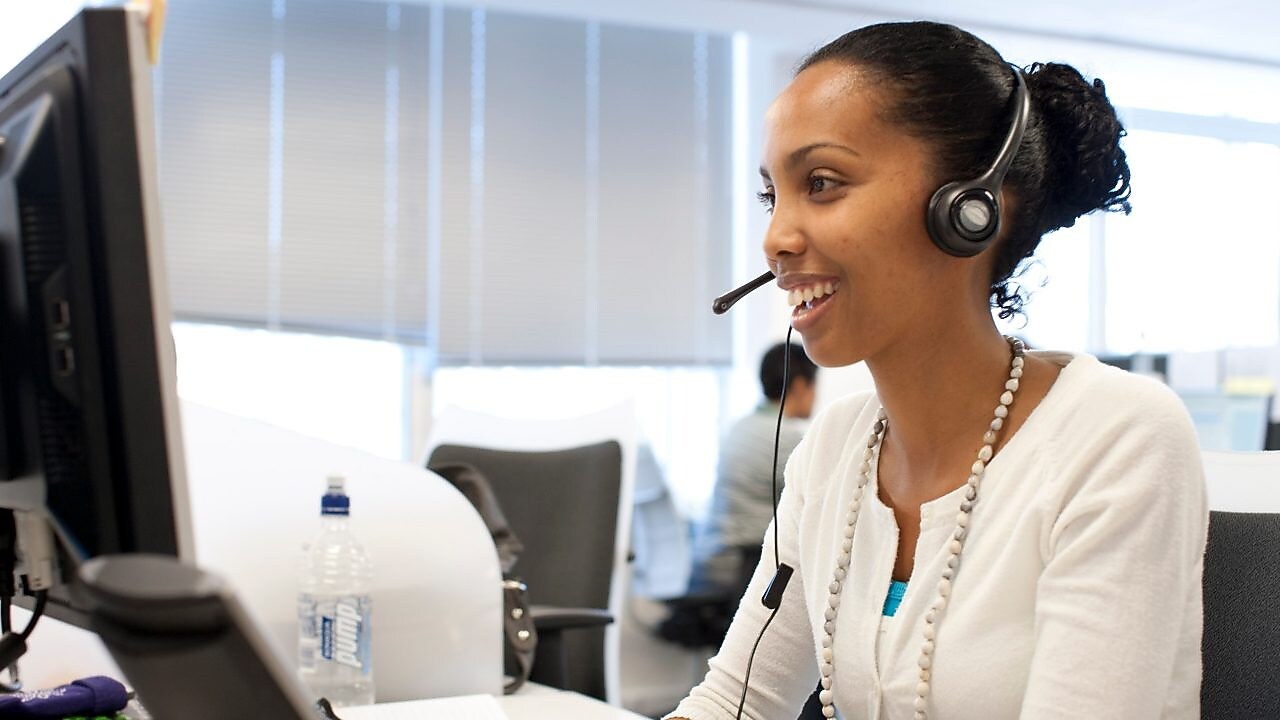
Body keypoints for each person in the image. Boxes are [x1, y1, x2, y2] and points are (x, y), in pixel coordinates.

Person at [668, 21, 1207, 720]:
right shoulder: (834, 451)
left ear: (971, 209)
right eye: (775, 197)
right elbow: (733, 703)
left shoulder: (1116, 437)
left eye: (823, 183)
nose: (776, 239)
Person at [660, 342, 818, 649]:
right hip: (738, 569)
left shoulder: (741, 428)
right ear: (800, 386)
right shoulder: (785, 438)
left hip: (711, 562)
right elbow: (820, 506)